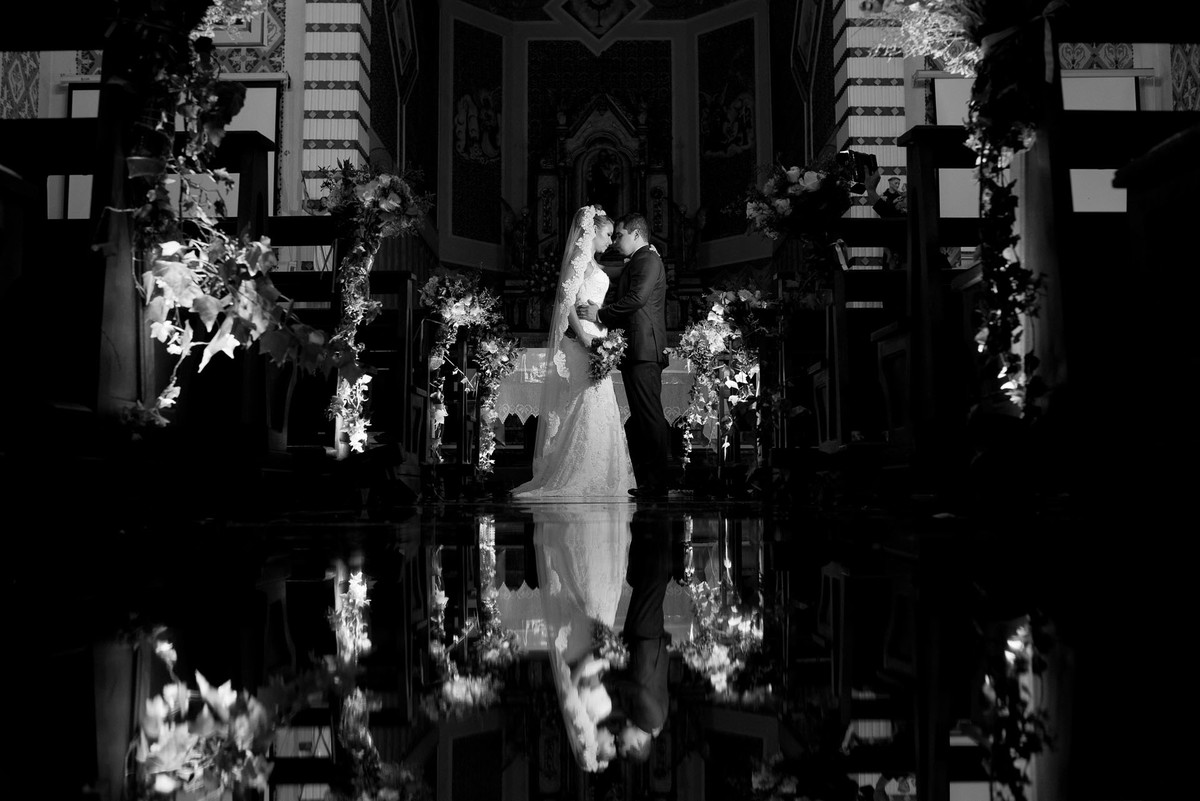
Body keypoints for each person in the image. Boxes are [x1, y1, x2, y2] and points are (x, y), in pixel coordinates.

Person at [511, 205, 636, 499]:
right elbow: (565, 302)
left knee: (599, 399)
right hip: (583, 341)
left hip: (597, 339)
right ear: (592, 232)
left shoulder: (591, 262)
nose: (610, 241)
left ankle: (602, 471)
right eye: (608, 234)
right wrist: (583, 338)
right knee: (587, 397)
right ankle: (581, 471)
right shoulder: (579, 260)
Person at [577, 212, 672, 499]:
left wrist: (601, 314)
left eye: (620, 235)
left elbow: (637, 298)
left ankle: (657, 483)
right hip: (637, 350)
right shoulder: (641, 259)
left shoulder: (648, 259)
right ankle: (649, 481)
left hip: (644, 349)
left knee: (649, 416)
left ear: (636, 234)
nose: (616, 241)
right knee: (641, 418)